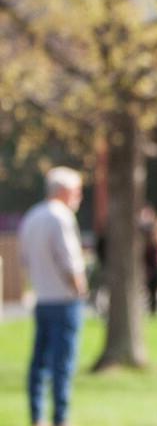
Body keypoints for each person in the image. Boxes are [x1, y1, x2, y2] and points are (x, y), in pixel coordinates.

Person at [18, 166, 88, 426]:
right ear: (65, 191)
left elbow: (24, 259)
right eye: (77, 192)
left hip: (42, 298)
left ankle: (37, 416)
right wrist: (80, 289)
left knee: (40, 363)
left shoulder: (33, 216)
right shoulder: (61, 217)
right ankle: (60, 418)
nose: (79, 197)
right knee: (63, 365)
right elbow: (69, 262)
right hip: (64, 301)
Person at [140, 206, 157, 317]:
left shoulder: (155, 230)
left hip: (154, 264)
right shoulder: (142, 232)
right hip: (145, 263)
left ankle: (154, 308)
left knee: (154, 286)